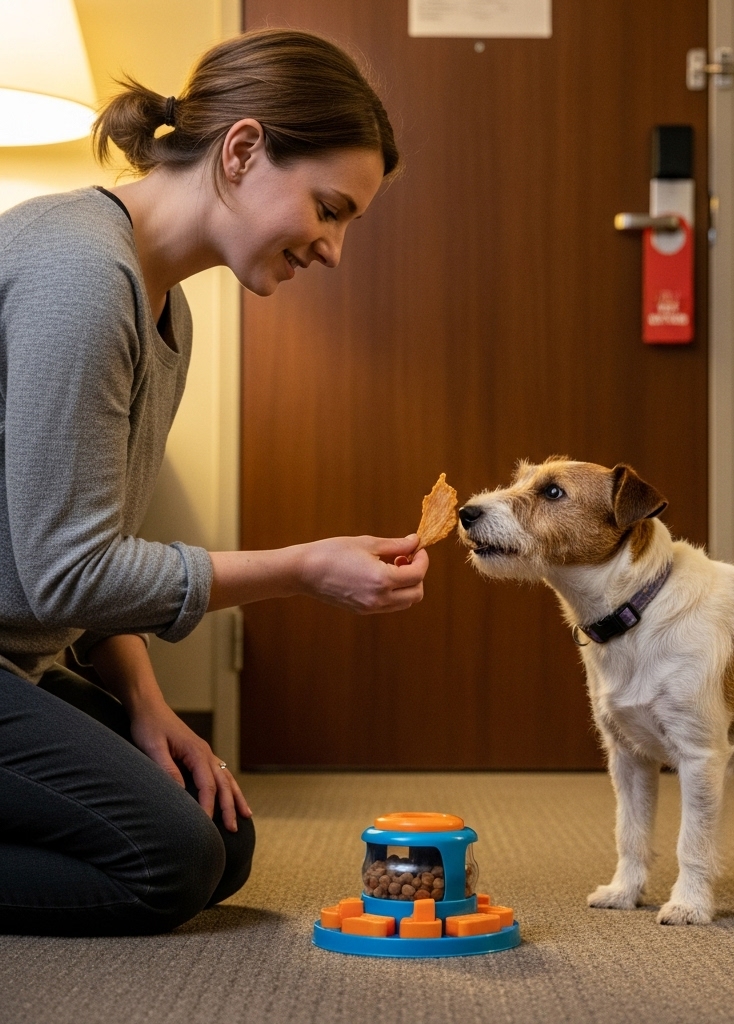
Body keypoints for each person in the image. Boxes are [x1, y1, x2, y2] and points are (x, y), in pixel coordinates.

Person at [0, 28, 429, 936]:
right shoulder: (78, 273)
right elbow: (67, 575)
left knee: (217, 839)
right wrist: (304, 568)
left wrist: (147, 706)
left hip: (18, 661)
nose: (334, 249)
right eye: (330, 208)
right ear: (241, 150)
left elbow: (94, 541)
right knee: (169, 861)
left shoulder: (166, 309)